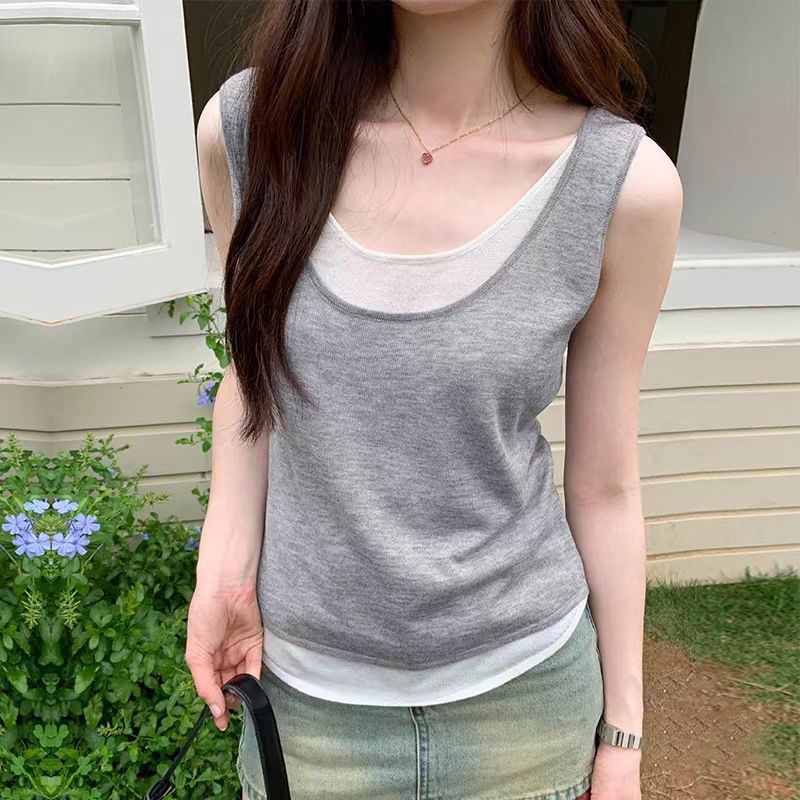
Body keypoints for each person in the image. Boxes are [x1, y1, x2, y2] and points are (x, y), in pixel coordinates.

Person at [189, 1, 682, 798]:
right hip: (310, 717)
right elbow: (254, 384)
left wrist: (623, 737)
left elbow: (606, 485)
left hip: (526, 715)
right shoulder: (250, 131)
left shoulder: (622, 185)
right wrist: (224, 575)